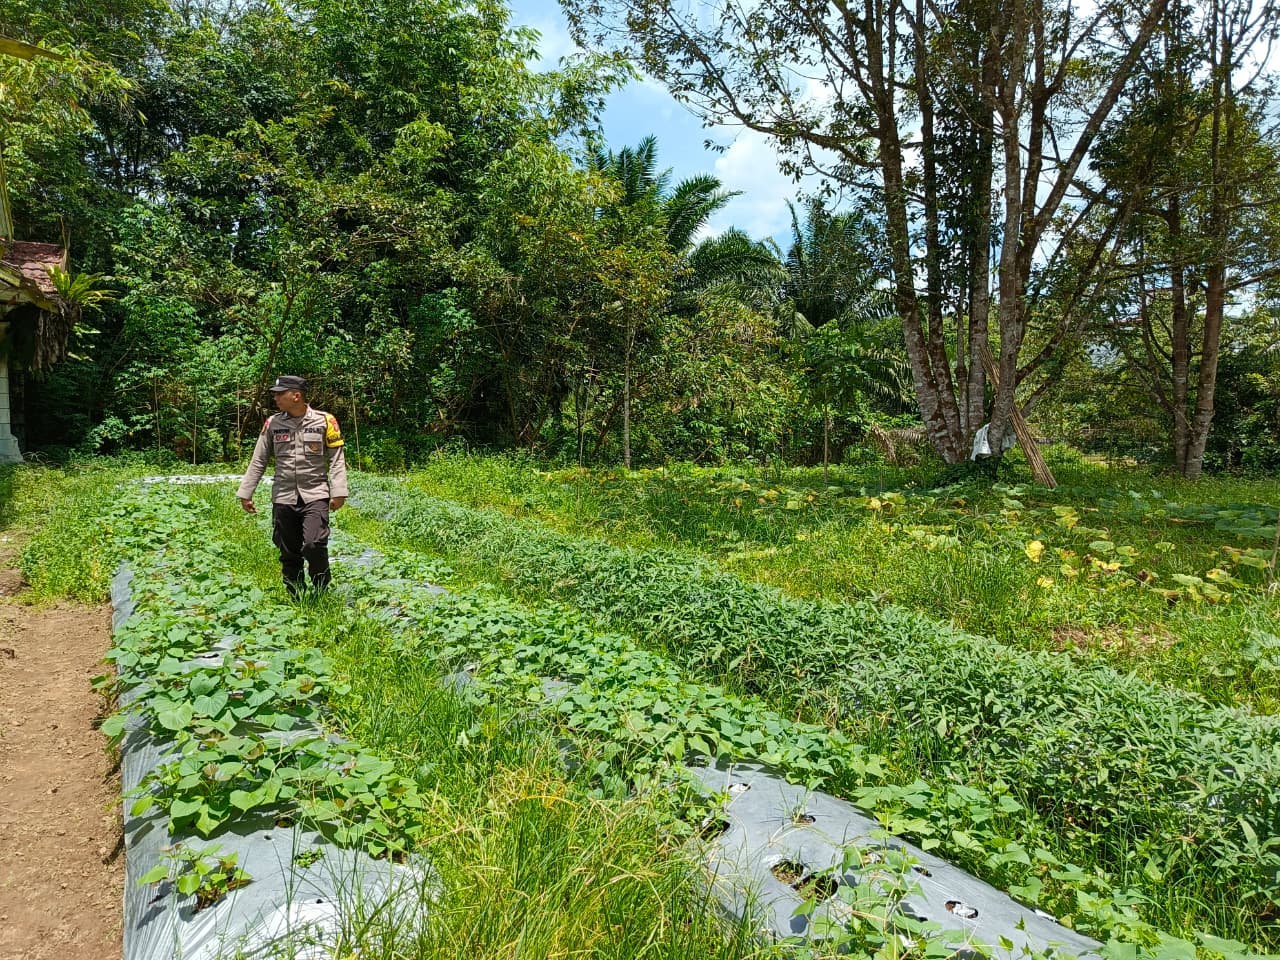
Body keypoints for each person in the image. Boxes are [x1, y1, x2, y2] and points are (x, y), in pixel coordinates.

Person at [236, 375, 349, 597]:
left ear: (296, 396)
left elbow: (337, 459)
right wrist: (245, 493)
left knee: (314, 545)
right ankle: (295, 593)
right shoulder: (273, 423)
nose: (276, 398)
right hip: (283, 496)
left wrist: (339, 491)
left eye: (280, 393)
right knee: (288, 550)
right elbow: (259, 460)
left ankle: (320, 588)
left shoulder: (325, 421)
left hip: (315, 494)